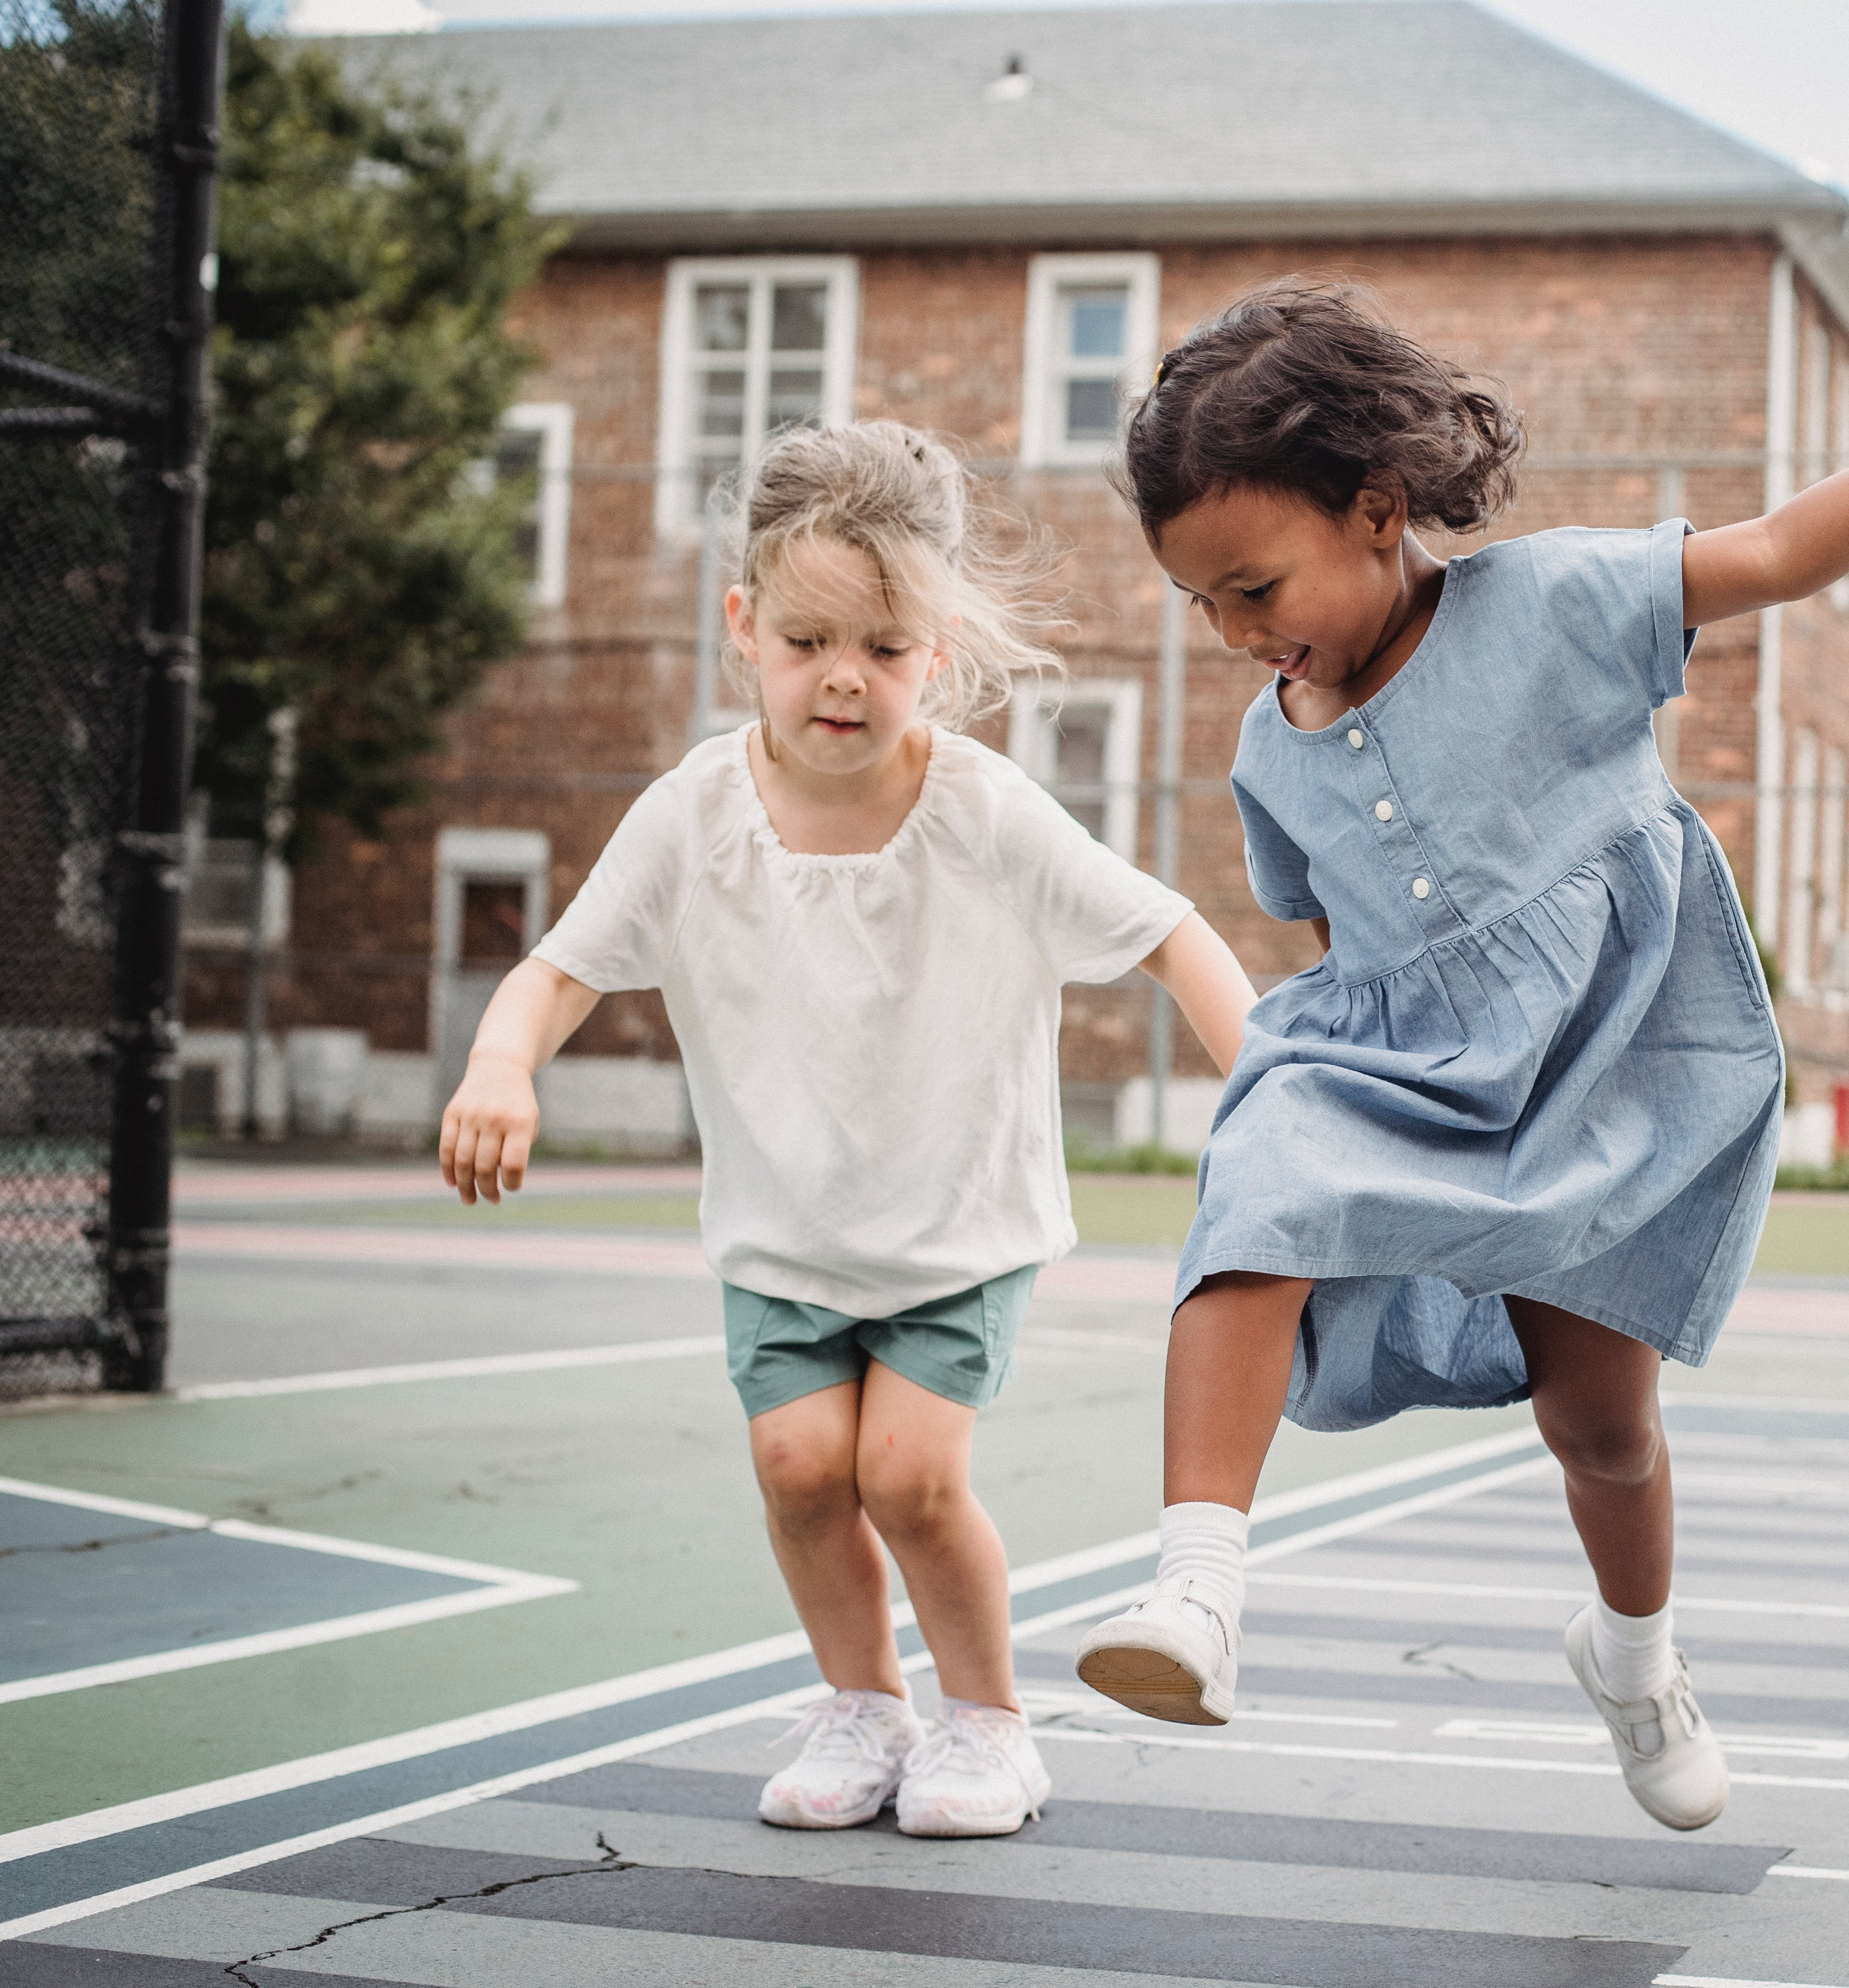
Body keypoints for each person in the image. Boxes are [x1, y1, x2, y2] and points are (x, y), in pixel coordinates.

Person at [1073, 281, 1849, 1829]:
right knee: (1256, 1192)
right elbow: (1334, 968)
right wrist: (1282, 1113)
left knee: (1600, 1429)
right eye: (1202, 604)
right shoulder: (1270, 744)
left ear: (1375, 509)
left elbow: (1776, 555)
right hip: (1408, 1063)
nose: (1234, 632)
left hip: (1604, 1070)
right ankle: (1199, 1592)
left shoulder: (1551, 605)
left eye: (1254, 585)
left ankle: (1634, 1657)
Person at [437, 421, 1256, 1839]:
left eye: (884, 649)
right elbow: (556, 968)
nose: (843, 678)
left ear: (934, 653)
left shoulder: (984, 812)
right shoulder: (689, 816)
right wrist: (502, 1064)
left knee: (910, 1477)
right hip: (783, 1227)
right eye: (811, 638)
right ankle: (864, 1705)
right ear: (745, 626)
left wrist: (1267, 1107)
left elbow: (1175, 935)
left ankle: (989, 1725)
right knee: (804, 1470)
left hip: (956, 1223)